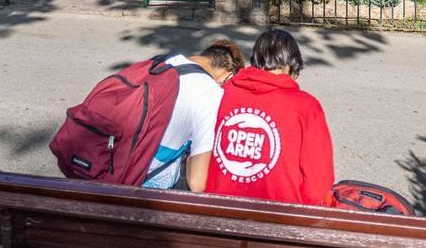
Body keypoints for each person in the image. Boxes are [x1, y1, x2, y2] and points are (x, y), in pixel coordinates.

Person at [205, 29, 334, 205]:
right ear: (291, 66)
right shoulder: (306, 106)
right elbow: (317, 183)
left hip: (215, 211)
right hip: (279, 219)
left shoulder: (220, 94)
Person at [142, 39, 246, 192]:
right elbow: (196, 183)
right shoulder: (211, 93)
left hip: (110, 163)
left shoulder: (162, 62)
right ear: (227, 77)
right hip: (146, 187)